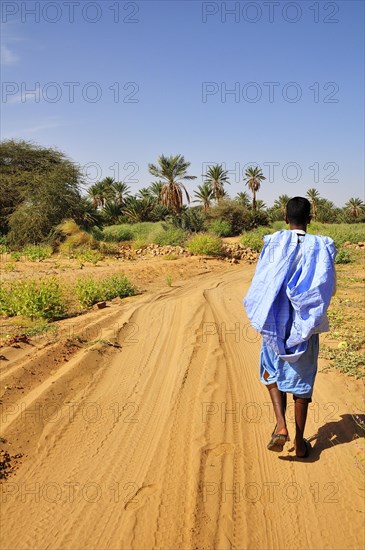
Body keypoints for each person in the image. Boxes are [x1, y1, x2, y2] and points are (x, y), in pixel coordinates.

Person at [243, 197, 337, 458]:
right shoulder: (322, 246)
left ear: (285, 218)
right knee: (302, 379)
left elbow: (262, 281)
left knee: (270, 371)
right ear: (310, 219)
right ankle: (299, 440)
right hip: (305, 325)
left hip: (275, 322)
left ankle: (281, 426)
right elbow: (327, 286)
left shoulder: (272, 242)